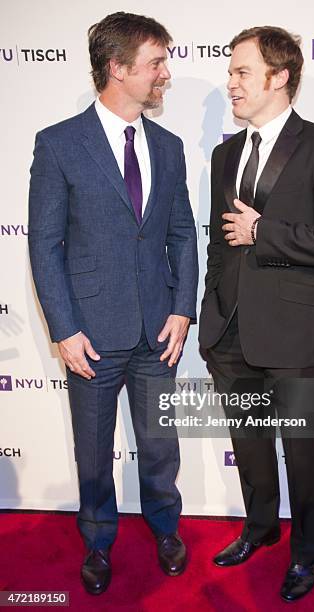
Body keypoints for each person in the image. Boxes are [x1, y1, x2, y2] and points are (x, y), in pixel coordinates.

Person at [29, 11, 198, 595]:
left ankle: (165, 528)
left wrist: (182, 309)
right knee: (94, 454)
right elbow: (45, 244)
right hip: (91, 335)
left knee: (160, 446)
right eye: (156, 62)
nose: (165, 74)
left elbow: (182, 232)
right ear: (118, 68)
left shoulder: (170, 146)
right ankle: (98, 540)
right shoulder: (58, 144)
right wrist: (65, 328)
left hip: (158, 331)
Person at [199, 26, 314, 602]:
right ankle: (260, 527)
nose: (231, 83)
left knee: (302, 450)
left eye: (242, 72)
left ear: (279, 77)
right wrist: (209, 312)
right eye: (231, 71)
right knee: (248, 445)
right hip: (229, 332)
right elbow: (221, 243)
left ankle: (306, 553)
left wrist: (265, 231)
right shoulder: (225, 153)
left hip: (290, 334)